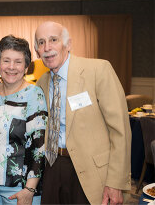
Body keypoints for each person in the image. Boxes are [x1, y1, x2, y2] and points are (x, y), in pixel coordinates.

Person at [35, 21, 131, 204]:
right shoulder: (41, 82)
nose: (47, 48)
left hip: (93, 172)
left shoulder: (98, 70)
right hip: (52, 166)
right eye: (41, 42)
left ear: (68, 44)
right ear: (36, 50)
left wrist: (115, 182)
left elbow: (121, 131)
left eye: (53, 40)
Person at [0, 35, 47, 205]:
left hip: (19, 188)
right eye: (6, 60)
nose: (11, 67)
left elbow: (39, 146)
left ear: (26, 66)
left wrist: (30, 190)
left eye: (18, 62)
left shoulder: (34, 94)